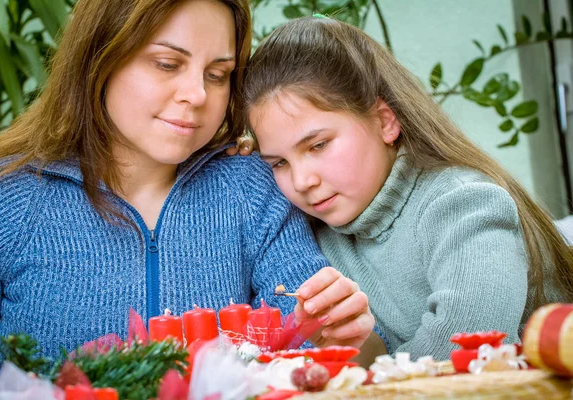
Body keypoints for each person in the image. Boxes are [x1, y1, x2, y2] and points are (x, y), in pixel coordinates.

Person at [0, 1, 377, 385]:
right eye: (168, 64)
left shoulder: (253, 188)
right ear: (100, 58)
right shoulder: (0, 203)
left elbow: (313, 348)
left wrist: (337, 333)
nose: (197, 95)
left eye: (217, 74)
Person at [242, 15, 573, 360]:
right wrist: (353, 344)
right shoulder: (321, 236)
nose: (302, 181)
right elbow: (386, 361)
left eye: (318, 145)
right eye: (279, 162)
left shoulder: (466, 203)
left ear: (385, 121)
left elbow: (458, 359)